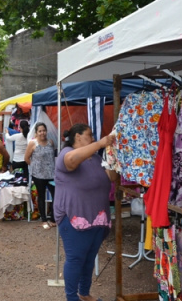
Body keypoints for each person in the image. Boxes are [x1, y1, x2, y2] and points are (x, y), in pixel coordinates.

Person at [55, 124, 114, 301]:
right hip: (74, 218)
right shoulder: (65, 154)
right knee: (75, 259)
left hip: (97, 219)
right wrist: (100, 144)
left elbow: (112, 177)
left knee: (89, 259)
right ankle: (71, 297)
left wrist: (113, 156)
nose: (93, 138)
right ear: (78, 137)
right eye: (89, 135)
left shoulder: (95, 158)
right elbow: (72, 161)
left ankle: (85, 294)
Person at [24, 122, 56, 229]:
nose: (42, 133)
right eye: (40, 131)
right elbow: (27, 158)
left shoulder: (51, 143)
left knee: (55, 196)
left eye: (44, 130)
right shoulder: (33, 144)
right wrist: (34, 167)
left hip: (51, 174)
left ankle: (53, 218)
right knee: (41, 196)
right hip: (38, 175)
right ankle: (44, 219)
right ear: (36, 133)